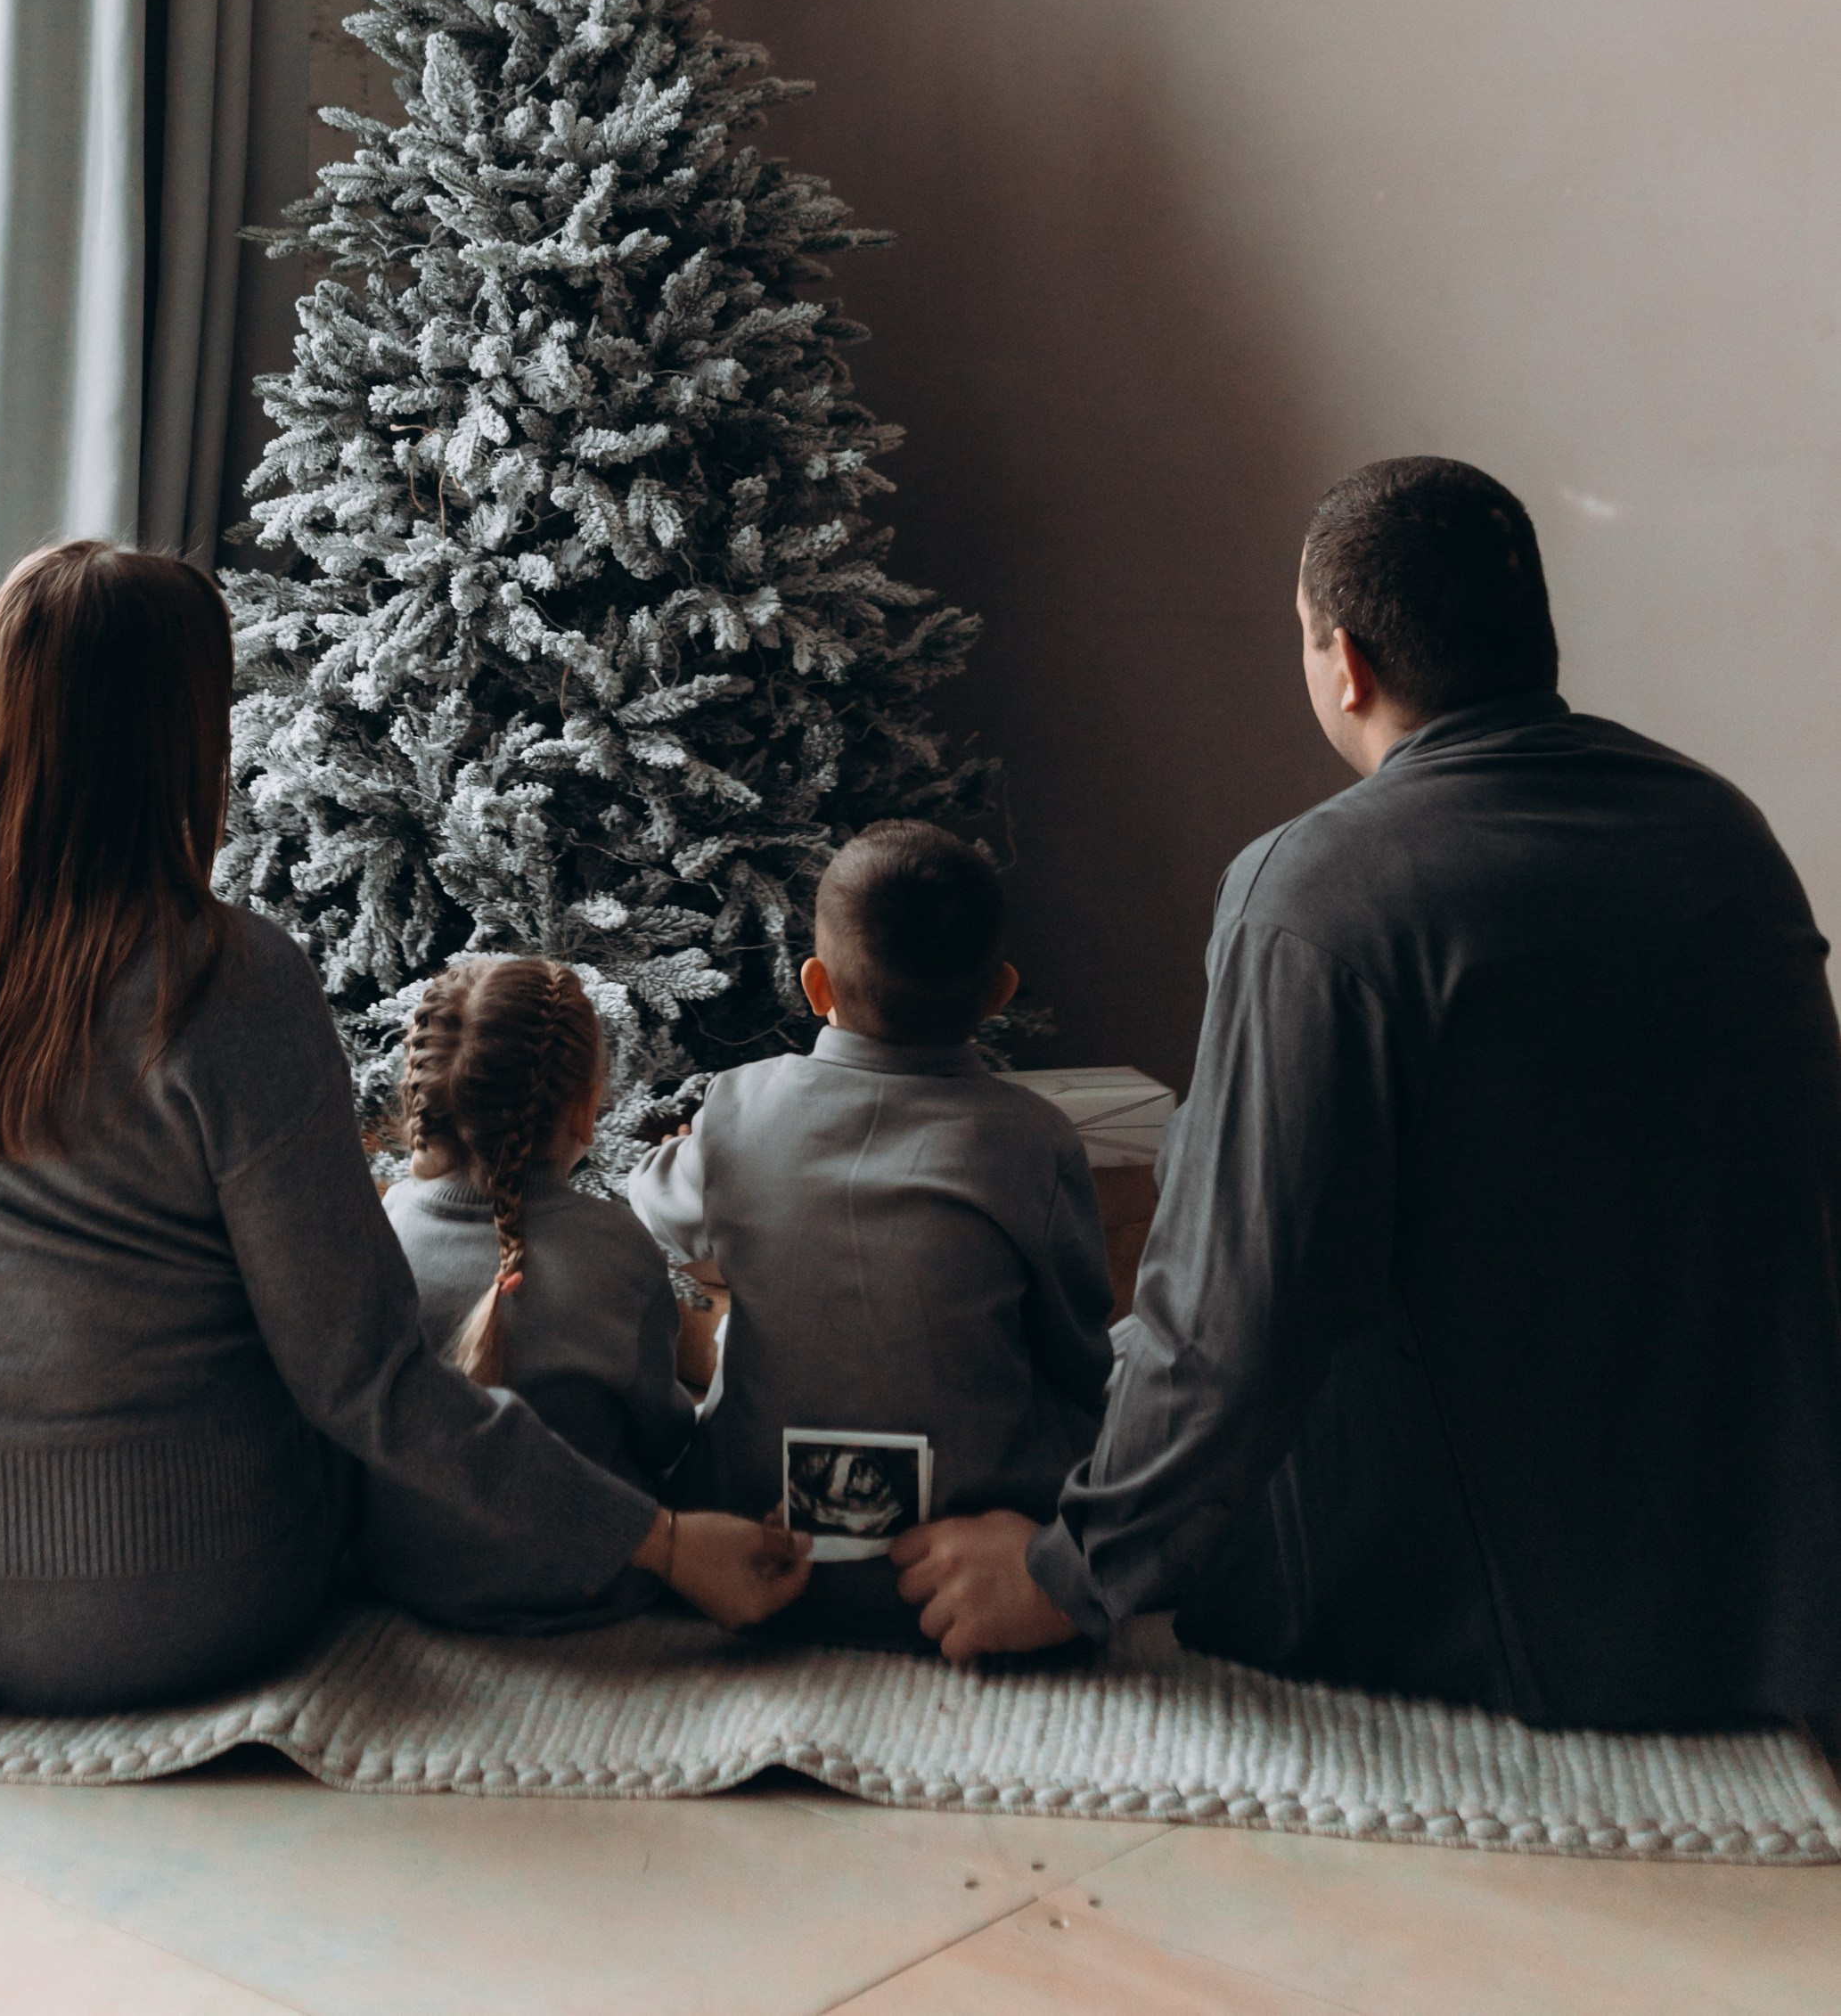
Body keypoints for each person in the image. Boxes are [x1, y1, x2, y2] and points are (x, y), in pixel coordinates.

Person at [0, 542, 808, 1717]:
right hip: (158, 1594)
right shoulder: (227, 982)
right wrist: (662, 1542)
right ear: (187, 731)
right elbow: (360, 1375)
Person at [891, 459, 1841, 1728]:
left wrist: (1068, 1574)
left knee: (1108, 1367)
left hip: (1510, 1623)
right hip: (1767, 1586)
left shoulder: (1319, 892)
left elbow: (1235, 1308)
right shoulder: (1720, 830)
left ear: (1345, 661)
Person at [628, 820, 1114, 1643]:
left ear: (815, 985)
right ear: (999, 992)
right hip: (956, 1563)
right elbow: (1076, 1347)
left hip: (754, 1542)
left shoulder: (738, 1107)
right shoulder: (1033, 1138)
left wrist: (684, 1155)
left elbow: (647, 1217)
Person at [360, 954, 698, 1628]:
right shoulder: (618, 1248)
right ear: (582, 1107)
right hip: (590, 1589)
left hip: (401, 1580)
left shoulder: (380, 1233)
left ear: (420, 1097)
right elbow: (664, 1439)